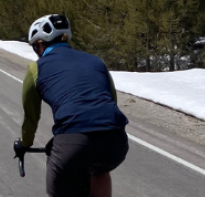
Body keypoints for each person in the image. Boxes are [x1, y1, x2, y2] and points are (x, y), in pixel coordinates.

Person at [17, 14, 129, 197]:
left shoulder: (36, 68)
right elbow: (111, 102)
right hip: (115, 141)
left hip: (73, 142)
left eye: (35, 47)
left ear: (40, 44)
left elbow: (31, 117)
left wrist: (24, 143)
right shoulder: (96, 62)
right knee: (100, 170)